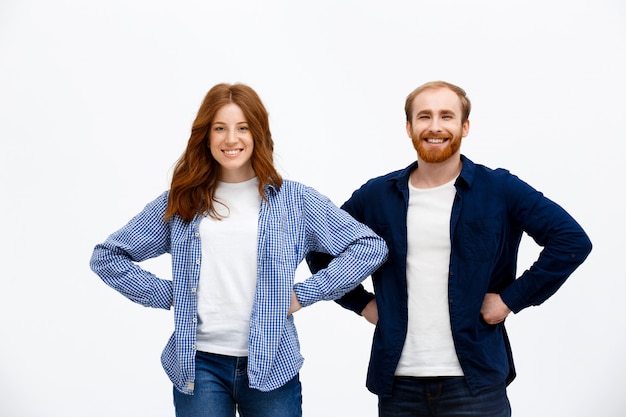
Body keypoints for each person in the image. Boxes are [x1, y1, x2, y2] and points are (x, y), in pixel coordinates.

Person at [90, 83, 388, 417]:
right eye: (220, 128)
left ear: (258, 133)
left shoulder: (294, 201)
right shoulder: (183, 201)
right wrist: (169, 293)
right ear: (206, 135)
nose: (231, 139)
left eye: (242, 127)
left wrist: (305, 293)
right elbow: (108, 256)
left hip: (273, 364)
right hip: (198, 365)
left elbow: (368, 246)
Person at [307, 80, 592, 416]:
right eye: (424, 117)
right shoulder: (376, 196)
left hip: (475, 383)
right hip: (399, 384)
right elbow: (320, 247)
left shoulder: (499, 189)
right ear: (409, 127)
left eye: (447, 116)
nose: (436, 126)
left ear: (464, 126)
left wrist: (510, 299)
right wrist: (361, 303)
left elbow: (571, 240)